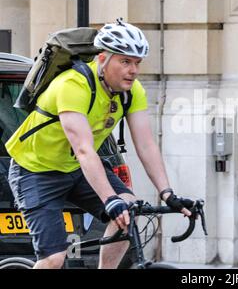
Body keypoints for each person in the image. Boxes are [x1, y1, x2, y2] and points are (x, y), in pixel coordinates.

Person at [6, 19, 191, 269]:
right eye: (125, 61)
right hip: (35, 170)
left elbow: (146, 146)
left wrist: (167, 192)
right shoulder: (72, 85)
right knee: (54, 259)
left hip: (74, 169)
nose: (133, 70)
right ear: (102, 58)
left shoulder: (131, 91)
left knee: (128, 210)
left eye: (137, 63)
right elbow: (83, 149)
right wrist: (109, 199)